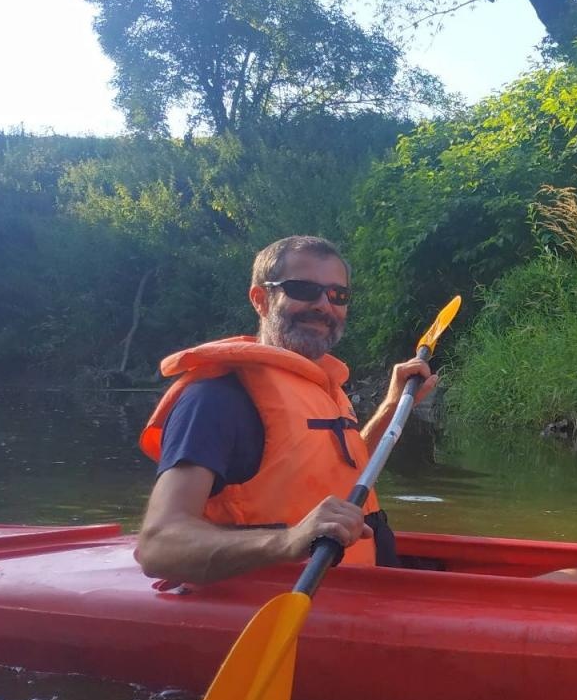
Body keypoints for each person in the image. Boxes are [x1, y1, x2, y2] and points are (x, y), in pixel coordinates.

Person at [135, 235, 436, 584]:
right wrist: (289, 540)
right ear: (260, 299)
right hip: (276, 600)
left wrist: (392, 405)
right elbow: (158, 546)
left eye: (338, 295)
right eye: (303, 290)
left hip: (357, 591)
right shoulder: (215, 399)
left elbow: (339, 474)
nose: (324, 305)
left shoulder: (321, 387)